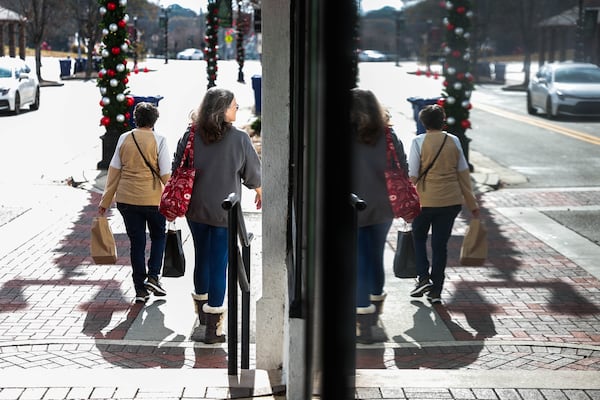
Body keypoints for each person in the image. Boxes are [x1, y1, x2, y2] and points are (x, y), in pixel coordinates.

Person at [172, 87, 262, 344]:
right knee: (219, 264)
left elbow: (177, 167)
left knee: (202, 257)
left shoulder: (190, 135)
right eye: (234, 105)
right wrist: (259, 191)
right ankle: (214, 328)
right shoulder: (240, 139)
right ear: (222, 109)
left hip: (195, 209)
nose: (236, 109)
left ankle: (201, 314)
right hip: (225, 212)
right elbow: (252, 176)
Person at [350, 88, 409, 344]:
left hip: (354, 205)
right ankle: (374, 309)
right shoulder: (388, 135)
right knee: (375, 256)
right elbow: (403, 168)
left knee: (359, 259)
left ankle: (361, 320)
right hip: (384, 206)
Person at [98, 102, 172, 303]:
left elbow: (114, 172)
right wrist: (175, 200)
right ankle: (154, 276)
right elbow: (166, 174)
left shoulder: (124, 138)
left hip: (127, 200)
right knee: (158, 237)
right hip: (153, 200)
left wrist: (105, 201)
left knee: (137, 243)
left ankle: (140, 289)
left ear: (135, 119)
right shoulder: (160, 140)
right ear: (154, 121)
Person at [407, 104, 480, 304]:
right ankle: (436, 290)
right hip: (450, 202)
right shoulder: (454, 141)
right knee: (440, 245)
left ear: (423, 123)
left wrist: (404, 199)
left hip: (425, 201)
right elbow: (463, 174)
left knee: (418, 237)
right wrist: (472, 203)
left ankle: (423, 277)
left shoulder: (418, 142)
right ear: (443, 121)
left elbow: (412, 175)